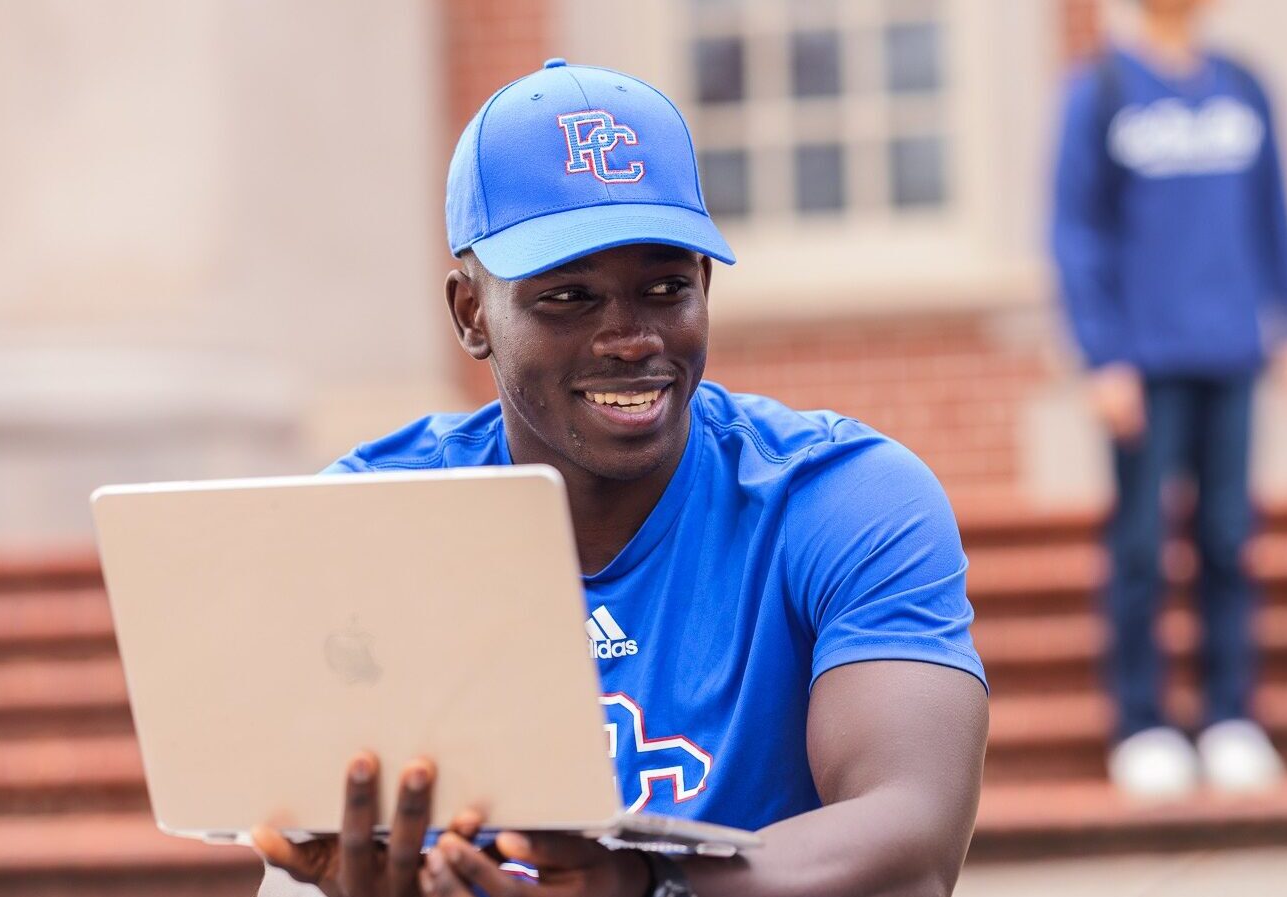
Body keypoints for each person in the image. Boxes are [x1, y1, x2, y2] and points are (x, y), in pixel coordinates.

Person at [249, 59, 989, 897]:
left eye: (665, 287)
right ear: (471, 314)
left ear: (705, 286)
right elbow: (306, 838)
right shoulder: (370, 517)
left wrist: (646, 882)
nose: (631, 337)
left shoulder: (842, 498)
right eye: (569, 297)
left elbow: (912, 838)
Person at [1048, 0, 1287, 799]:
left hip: (1232, 352)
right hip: (1144, 362)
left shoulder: (1244, 85)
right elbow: (1075, 230)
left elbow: (1275, 212)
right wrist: (1103, 355)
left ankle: (1232, 715)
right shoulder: (1098, 88)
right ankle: (1142, 723)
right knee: (1139, 545)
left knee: (1230, 536)